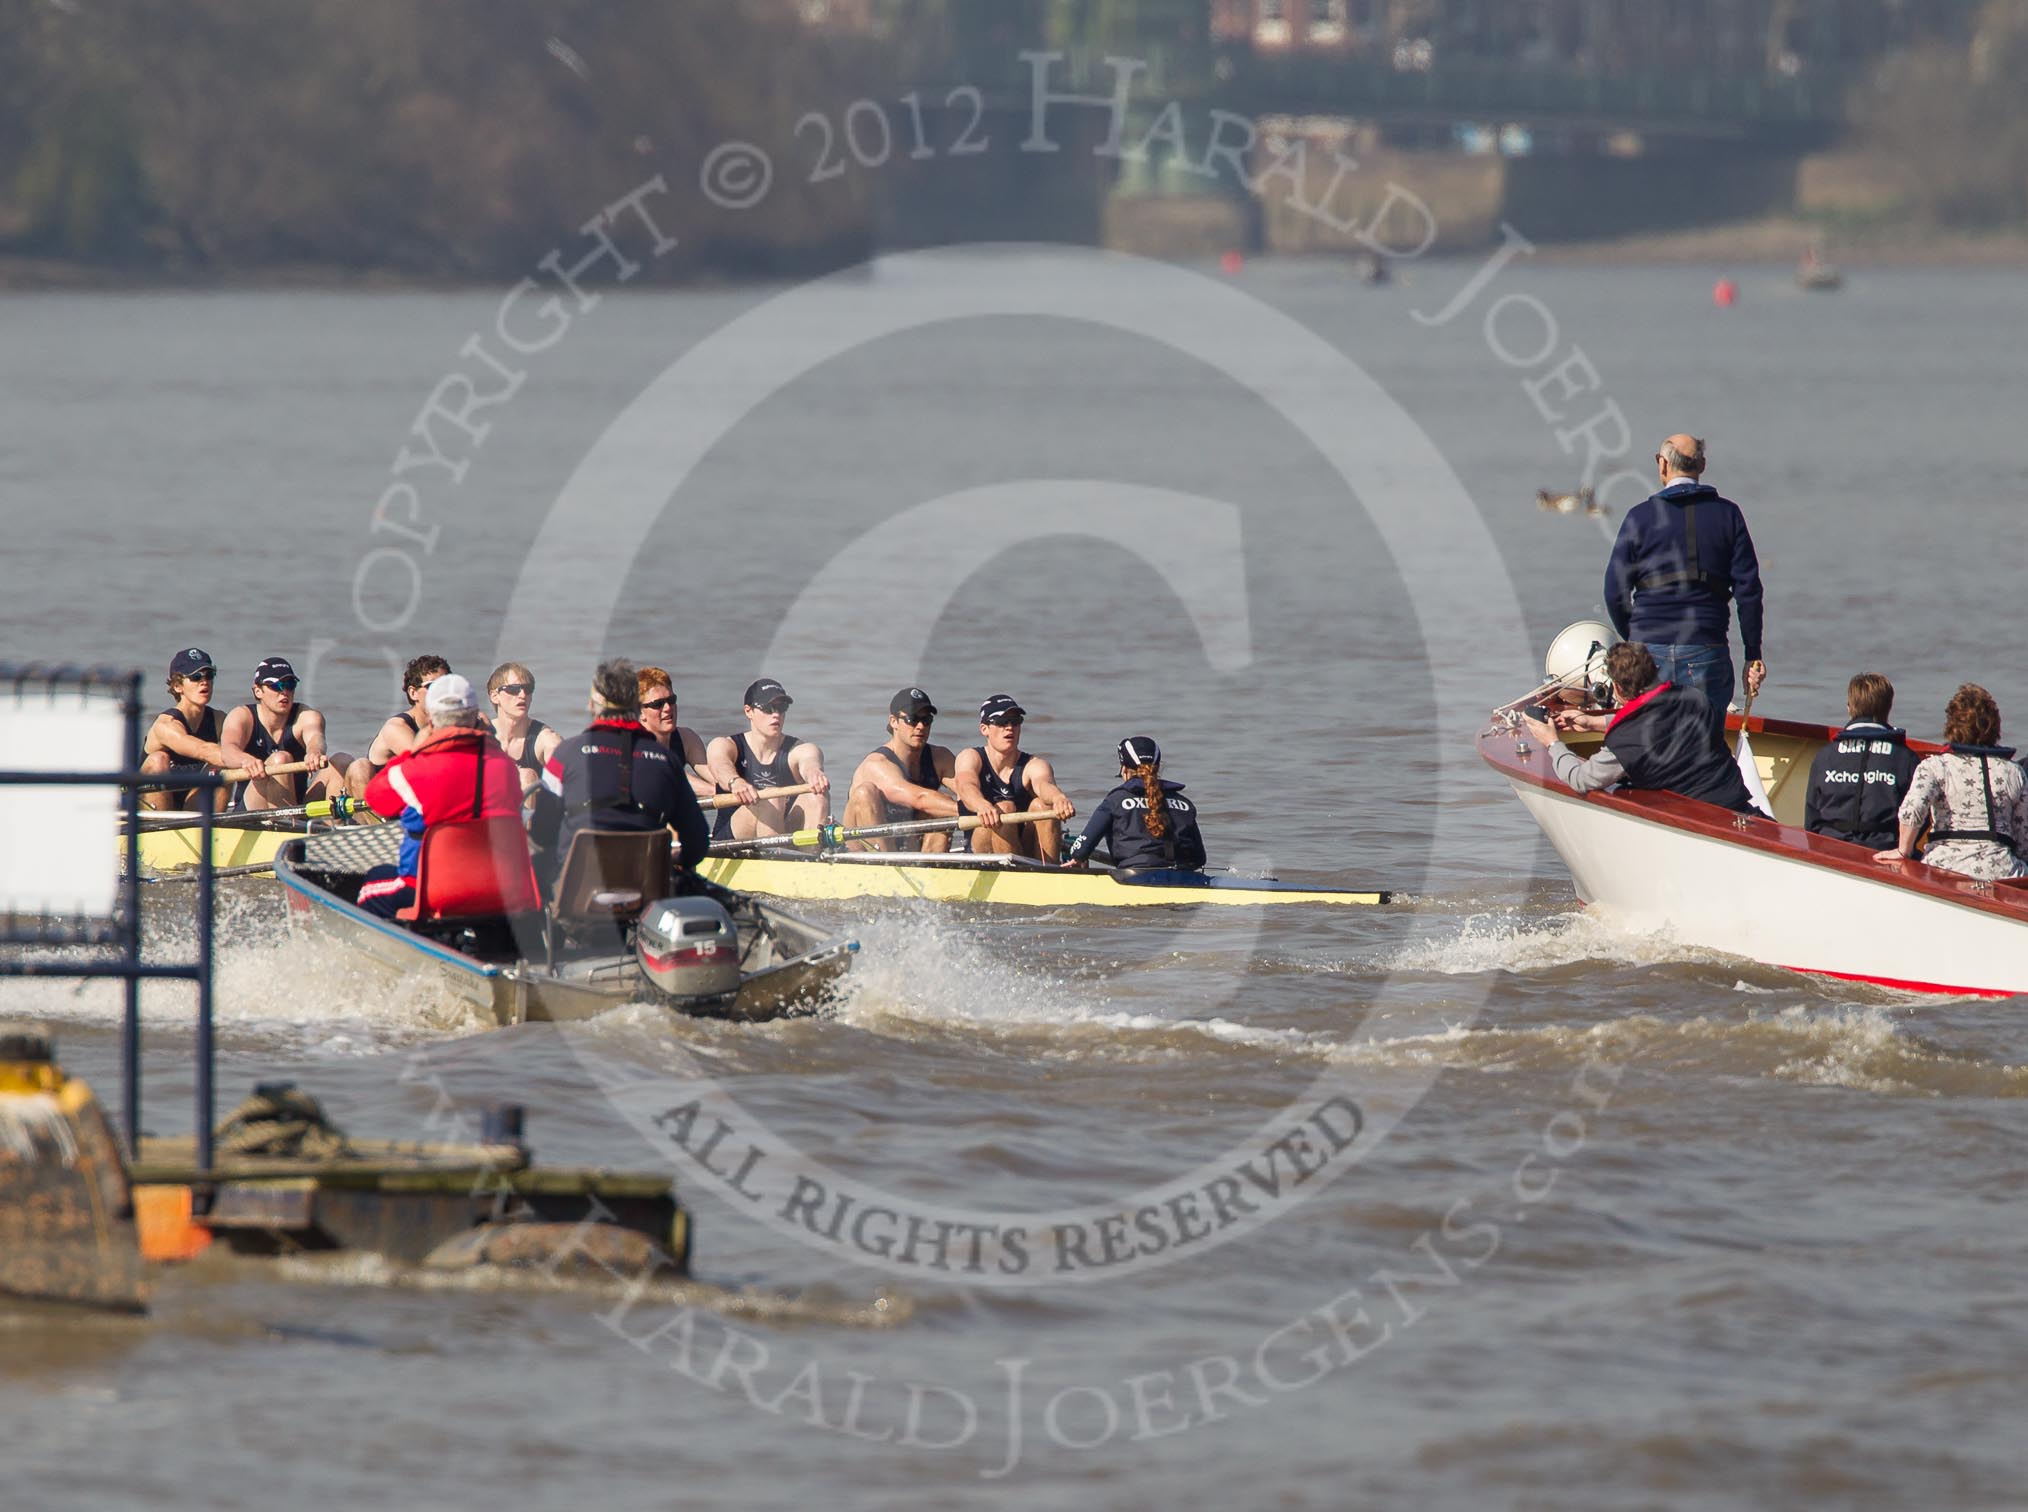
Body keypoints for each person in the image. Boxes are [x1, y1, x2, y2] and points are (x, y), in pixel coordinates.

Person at [1603, 434, 1766, 716]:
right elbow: (1748, 592)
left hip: (1647, 652)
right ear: (1702, 465)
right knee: (1705, 749)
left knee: (1650, 745)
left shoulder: (1638, 518)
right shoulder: (1728, 515)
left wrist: (1636, 638)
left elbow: (1614, 592)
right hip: (1705, 649)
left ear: (1662, 464)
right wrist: (1753, 653)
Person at [357, 674, 526, 918]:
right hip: (498, 889)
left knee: (371, 885)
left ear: (432, 721)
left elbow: (376, 799)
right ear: (476, 718)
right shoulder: (506, 767)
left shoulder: (415, 770)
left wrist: (417, 749)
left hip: (434, 891)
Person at [1522, 642, 1758, 813]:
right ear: (1654, 669)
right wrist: (1592, 722)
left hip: (1698, 822)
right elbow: (1659, 726)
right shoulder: (1695, 697)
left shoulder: (1627, 740)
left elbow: (1580, 779)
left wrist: (1552, 742)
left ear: (1617, 689)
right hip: (1737, 806)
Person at [536, 658, 711, 886]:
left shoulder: (564, 755)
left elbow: (541, 832)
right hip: (646, 888)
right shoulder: (667, 761)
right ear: (635, 708)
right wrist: (673, 861)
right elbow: (697, 842)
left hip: (579, 892)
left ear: (592, 705)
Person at [1875, 683, 2028, 880]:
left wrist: (1903, 850)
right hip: (2002, 870)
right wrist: (2021, 860)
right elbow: (2024, 830)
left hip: (1945, 867)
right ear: (1995, 726)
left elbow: (1912, 811)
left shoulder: (1935, 766)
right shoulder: (2013, 771)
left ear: (1952, 726)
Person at [953, 693, 1076, 863]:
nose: (1010, 727)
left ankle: (1049, 870)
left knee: (1043, 806)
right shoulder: (970, 757)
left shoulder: (1034, 764)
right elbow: (966, 786)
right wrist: (982, 806)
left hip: (1023, 850)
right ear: (985, 729)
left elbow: (1044, 784)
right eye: (1002, 722)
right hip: (980, 848)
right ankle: (1020, 875)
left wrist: (1058, 798)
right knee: (1006, 807)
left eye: (1015, 721)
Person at [705, 677, 829, 842]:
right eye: (767, 708)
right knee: (770, 797)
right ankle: (777, 857)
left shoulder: (798, 749)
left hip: (782, 834)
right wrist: (735, 782)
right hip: (732, 840)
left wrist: (814, 773)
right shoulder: (726, 745)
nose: (776, 714)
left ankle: (812, 858)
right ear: (748, 711)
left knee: (817, 795)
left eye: (781, 708)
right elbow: (720, 765)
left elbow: (810, 760)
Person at [1804, 672, 1919, 849]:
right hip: (1883, 850)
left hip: (1829, 848)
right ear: (1889, 707)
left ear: (1849, 708)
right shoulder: (1906, 758)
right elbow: (1918, 816)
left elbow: (1812, 818)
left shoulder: (1825, 756)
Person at [841, 687, 961, 853]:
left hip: (908, 846)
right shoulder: (877, 764)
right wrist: (972, 810)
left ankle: (932, 867)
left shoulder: (940, 757)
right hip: (864, 851)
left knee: (942, 806)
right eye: (912, 719)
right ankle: (886, 866)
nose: (920, 726)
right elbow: (919, 798)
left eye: (926, 720)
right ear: (893, 721)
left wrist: (987, 805)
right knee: (865, 793)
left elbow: (969, 790)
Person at [1062, 737, 1207, 873]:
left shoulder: (1115, 800)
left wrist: (1077, 856)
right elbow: (1200, 859)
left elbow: (1079, 850)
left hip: (1135, 878)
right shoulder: (1185, 804)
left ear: (1124, 769)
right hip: (1185, 878)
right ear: (1157, 767)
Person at [218, 657, 344, 812]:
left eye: (290, 685)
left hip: (297, 808)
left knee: (341, 761)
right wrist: (246, 760)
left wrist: (315, 752)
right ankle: (289, 825)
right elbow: (228, 752)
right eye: (276, 686)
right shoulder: (241, 716)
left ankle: (335, 827)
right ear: (258, 691)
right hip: (252, 809)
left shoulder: (306, 716)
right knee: (280, 759)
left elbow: (315, 737)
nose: (284, 692)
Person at [140, 646, 243, 810]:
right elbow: (203, 750)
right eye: (195, 677)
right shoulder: (166, 725)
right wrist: (246, 761)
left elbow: (247, 745)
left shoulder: (219, 720)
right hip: (151, 806)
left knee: (221, 766)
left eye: (209, 675)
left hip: (192, 804)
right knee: (158, 760)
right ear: (177, 686)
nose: (204, 682)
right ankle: (164, 831)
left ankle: (208, 828)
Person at [347, 654, 451, 801]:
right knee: (359, 766)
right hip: (382, 807)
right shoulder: (396, 727)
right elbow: (425, 765)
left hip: (417, 803)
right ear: (413, 693)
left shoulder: (460, 722)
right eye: (433, 687)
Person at [637, 666, 714, 800]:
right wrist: (714, 791)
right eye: (658, 704)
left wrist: (737, 786)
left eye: (671, 700)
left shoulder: (687, 738)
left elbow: (715, 778)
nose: (667, 708)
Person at [487, 662, 562, 796]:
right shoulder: (480, 734)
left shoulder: (548, 741)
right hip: (488, 809)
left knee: (526, 776)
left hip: (530, 813)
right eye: (513, 689)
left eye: (528, 689)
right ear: (495, 696)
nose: (522, 695)